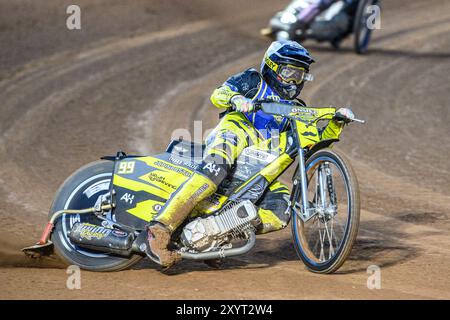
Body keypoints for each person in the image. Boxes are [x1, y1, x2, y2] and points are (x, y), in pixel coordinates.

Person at [146, 40, 354, 268]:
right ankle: (160, 229)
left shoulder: (297, 108)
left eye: (300, 75)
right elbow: (219, 94)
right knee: (215, 170)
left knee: (282, 209)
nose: (294, 81)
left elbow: (315, 144)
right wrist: (237, 99)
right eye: (289, 72)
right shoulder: (253, 80)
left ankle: (216, 235)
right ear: (272, 67)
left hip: (260, 162)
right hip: (234, 132)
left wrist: (336, 123)